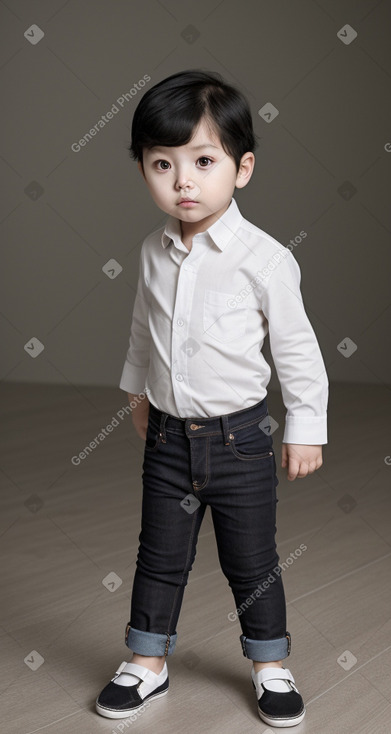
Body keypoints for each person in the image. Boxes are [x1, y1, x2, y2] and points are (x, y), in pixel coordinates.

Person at [95, 69, 328, 727]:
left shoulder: (264, 260)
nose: (182, 182)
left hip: (241, 442)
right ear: (142, 167)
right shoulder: (151, 252)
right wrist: (136, 393)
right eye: (161, 164)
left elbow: (297, 350)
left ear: (242, 167)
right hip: (170, 440)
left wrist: (304, 425)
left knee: (250, 561)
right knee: (158, 556)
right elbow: (144, 329)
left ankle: (269, 664)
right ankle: (146, 663)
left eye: (202, 161)